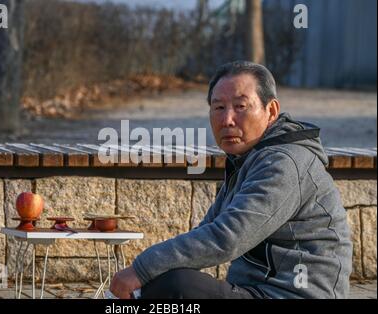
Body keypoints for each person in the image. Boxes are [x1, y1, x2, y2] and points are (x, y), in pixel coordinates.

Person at [109, 61, 353, 299]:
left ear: (272, 111)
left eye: (241, 106)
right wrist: (150, 271)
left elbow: (227, 238)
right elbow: (207, 230)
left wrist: (141, 269)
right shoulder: (248, 159)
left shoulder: (285, 163)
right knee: (166, 277)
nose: (227, 120)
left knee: (177, 287)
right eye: (218, 108)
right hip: (254, 291)